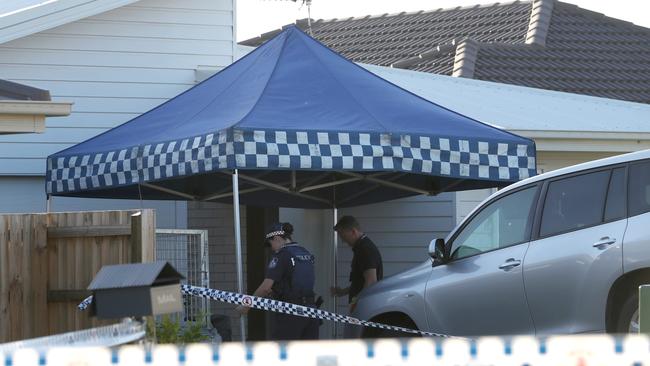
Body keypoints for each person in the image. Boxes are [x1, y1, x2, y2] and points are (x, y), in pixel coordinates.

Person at [236, 222, 320, 340]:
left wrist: (247, 305)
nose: (271, 248)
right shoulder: (304, 252)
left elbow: (265, 287)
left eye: (270, 244)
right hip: (312, 310)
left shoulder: (282, 255)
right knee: (307, 354)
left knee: (282, 353)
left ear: (276, 238)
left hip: (291, 311)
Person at [330, 215, 383, 313]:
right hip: (363, 306)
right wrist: (343, 292)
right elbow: (360, 282)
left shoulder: (365, 249)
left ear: (353, 231)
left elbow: (371, 281)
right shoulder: (361, 248)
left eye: (343, 236)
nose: (342, 241)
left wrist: (355, 303)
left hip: (365, 308)